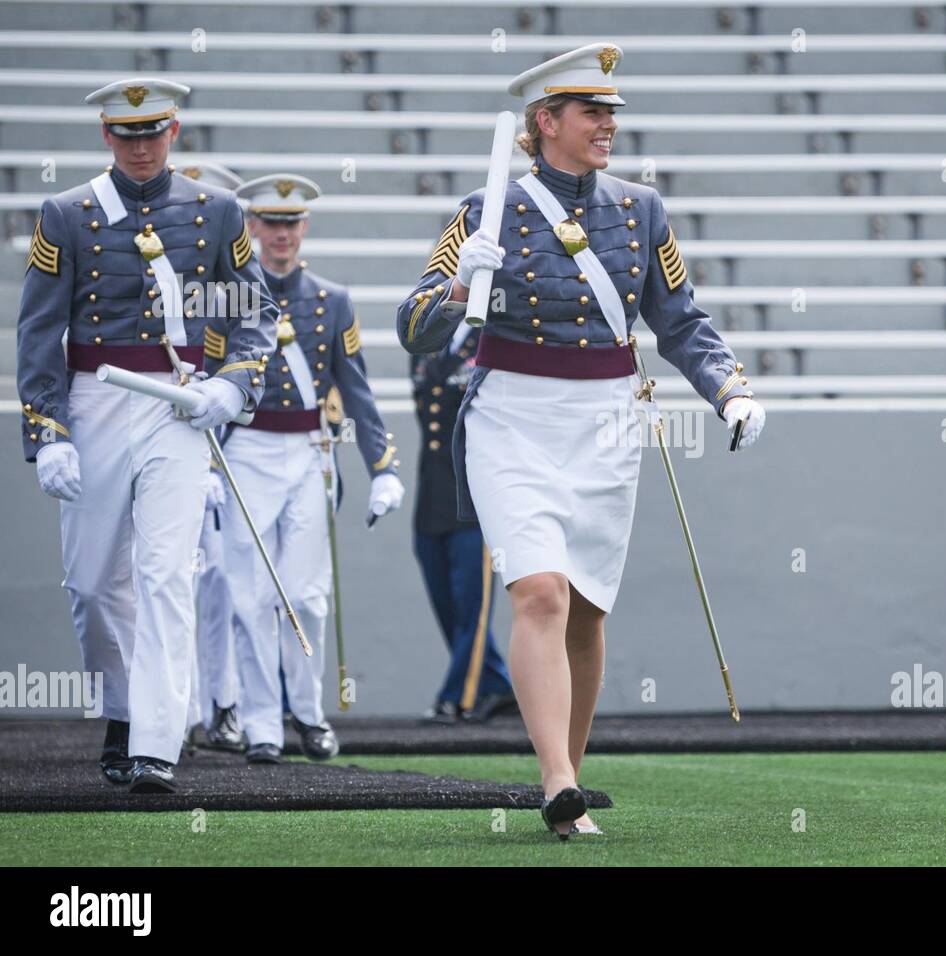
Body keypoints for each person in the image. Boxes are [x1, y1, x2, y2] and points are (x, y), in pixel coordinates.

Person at [397, 44, 765, 838]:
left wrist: (729, 388)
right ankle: (557, 782)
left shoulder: (641, 209)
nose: (607, 125)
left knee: (587, 612)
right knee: (539, 592)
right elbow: (413, 329)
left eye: (611, 113)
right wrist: (461, 285)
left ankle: (568, 780)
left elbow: (679, 320)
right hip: (512, 417)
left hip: (604, 420)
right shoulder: (484, 206)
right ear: (546, 121)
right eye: (591, 112)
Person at [17, 79, 277, 793]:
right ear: (107, 136)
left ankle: (157, 743)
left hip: (179, 402)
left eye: (153, 133)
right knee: (95, 583)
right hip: (94, 398)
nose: (141, 148)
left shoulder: (217, 211)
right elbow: (40, 329)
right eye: (128, 135)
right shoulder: (66, 214)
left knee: (167, 573)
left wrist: (231, 384)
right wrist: (49, 431)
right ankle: (125, 707)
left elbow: (254, 314)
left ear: (175, 131)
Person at [221, 173, 405, 764]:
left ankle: (307, 713)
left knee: (306, 596)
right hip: (246, 451)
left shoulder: (332, 299)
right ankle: (260, 728)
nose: (281, 234)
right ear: (251, 226)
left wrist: (383, 466)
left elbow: (356, 388)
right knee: (249, 598)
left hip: (308, 455)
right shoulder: (229, 296)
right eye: (270, 223)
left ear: (305, 227)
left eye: (291, 223)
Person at [176, 162, 248, 755]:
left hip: (220, 458)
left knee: (219, 582)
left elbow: (244, 376)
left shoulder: (230, 287)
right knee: (158, 580)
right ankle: (173, 707)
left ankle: (221, 704)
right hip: (148, 446)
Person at [410, 324, 515, 725]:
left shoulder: (492, 338)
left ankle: (458, 697)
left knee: (473, 606)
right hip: (432, 493)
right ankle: (498, 684)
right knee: (446, 604)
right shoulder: (425, 340)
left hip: (475, 496)